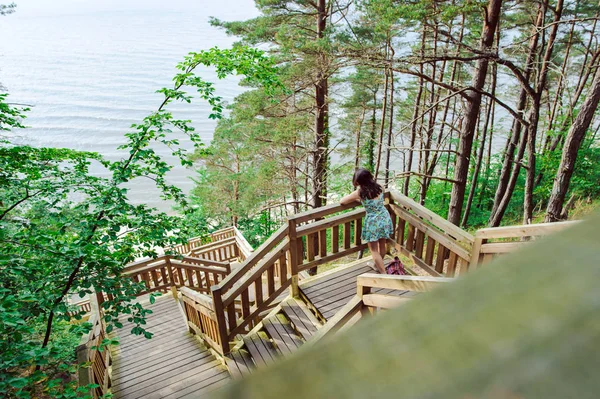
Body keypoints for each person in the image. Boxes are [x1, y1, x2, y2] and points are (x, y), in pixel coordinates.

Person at [340, 168, 393, 274]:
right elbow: (375, 200)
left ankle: (384, 274)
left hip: (373, 222)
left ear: (358, 181)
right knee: (382, 245)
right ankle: (376, 265)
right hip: (384, 217)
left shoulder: (360, 192)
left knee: (374, 250)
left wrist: (358, 199)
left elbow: (342, 202)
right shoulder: (380, 187)